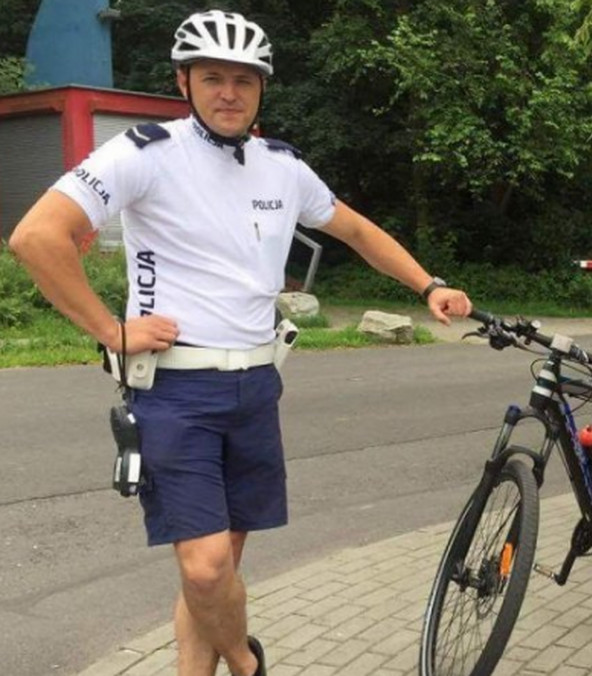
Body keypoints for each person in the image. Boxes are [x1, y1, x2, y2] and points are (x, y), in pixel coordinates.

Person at [8, 10, 471, 676]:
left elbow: (360, 232)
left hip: (256, 386)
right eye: (213, 77)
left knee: (216, 571)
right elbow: (37, 236)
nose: (229, 92)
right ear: (185, 82)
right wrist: (110, 331)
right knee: (206, 569)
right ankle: (248, 665)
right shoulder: (143, 153)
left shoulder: (282, 168)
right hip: (173, 389)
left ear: (261, 88)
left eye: (244, 80)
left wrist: (430, 285)